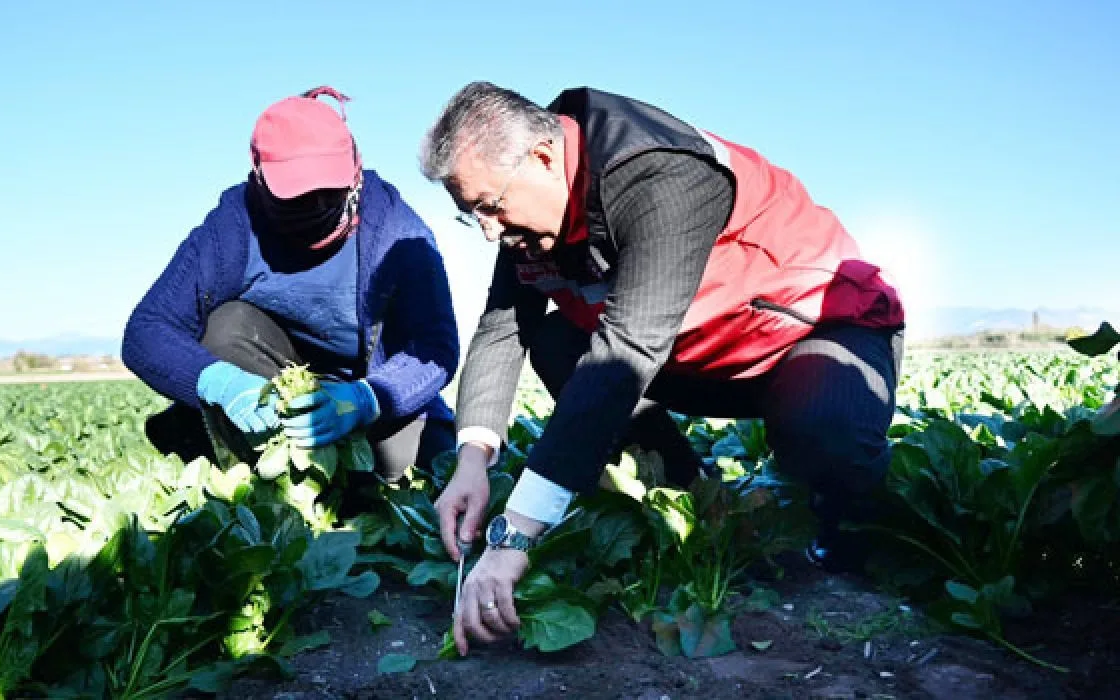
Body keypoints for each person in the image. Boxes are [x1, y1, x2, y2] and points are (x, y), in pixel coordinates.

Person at [420, 82, 906, 654]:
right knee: (556, 343)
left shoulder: (658, 172)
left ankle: (852, 534)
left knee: (824, 431)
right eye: (471, 215)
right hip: (702, 356)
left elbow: (625, 352)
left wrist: (515, 536)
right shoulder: (529, 217)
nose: (488, 230)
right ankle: (690, 491)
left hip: (812, 336)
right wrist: (472, 462)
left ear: (544, 159)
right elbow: (504, 329)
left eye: (488, 205)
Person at [123, 86, 459, 483]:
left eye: (329, 192)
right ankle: (271, 471)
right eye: (297, 197)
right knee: (226, 325)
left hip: (366, 399)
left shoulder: (395, 230)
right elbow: (147, 330)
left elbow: (434, 347)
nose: (316, 206)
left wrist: (365, 399)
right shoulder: (233, 226)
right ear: (259, 179)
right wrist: (223, 384)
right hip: (276, 387)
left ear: (355, 171)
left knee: (420, 474)